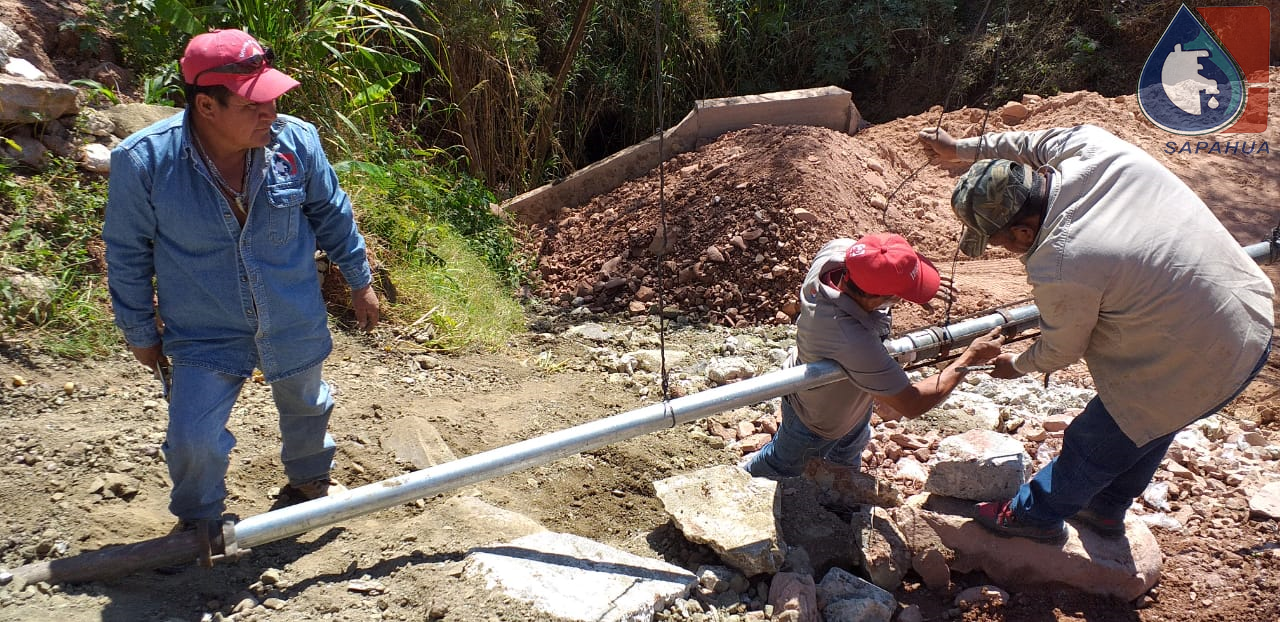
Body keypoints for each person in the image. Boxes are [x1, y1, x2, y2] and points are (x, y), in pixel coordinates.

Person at [919, 124, 1274, 541]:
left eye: (999, 242)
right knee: (1149, 423)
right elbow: (1031, 142)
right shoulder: (1095, 148)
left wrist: (1015, 365)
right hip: (1249, 313)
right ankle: (1104, 510)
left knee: (1095, 439)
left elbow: (1062, 348)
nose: (1005, 251)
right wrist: (961, 149)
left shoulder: (1061, 260)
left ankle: (1033, 517)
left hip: (1202, 350)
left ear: (1022, 232)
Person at [103, 29, 381, 530]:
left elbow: (332, 214)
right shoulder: (144, 162)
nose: (269, 112)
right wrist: (140, 333)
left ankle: (310, 481)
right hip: (204, 329)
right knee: (193, 437)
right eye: (253, 103)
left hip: (291, 314)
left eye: (272, 98)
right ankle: (200, 521)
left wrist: (360, 279)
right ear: (206, 106)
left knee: (307, 406)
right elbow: (126, 255)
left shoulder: (297, 143)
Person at [743, 233, 1004, 478]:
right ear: (877, 299)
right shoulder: (848, 337)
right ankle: (742, 477)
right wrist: (969, 357)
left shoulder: (838, 254)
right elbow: (912, 403)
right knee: (781, 465)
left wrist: (910, 287)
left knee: (844, 465)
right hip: (817, 423)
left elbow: (878, 263)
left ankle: (838, 501)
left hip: (850, 406)